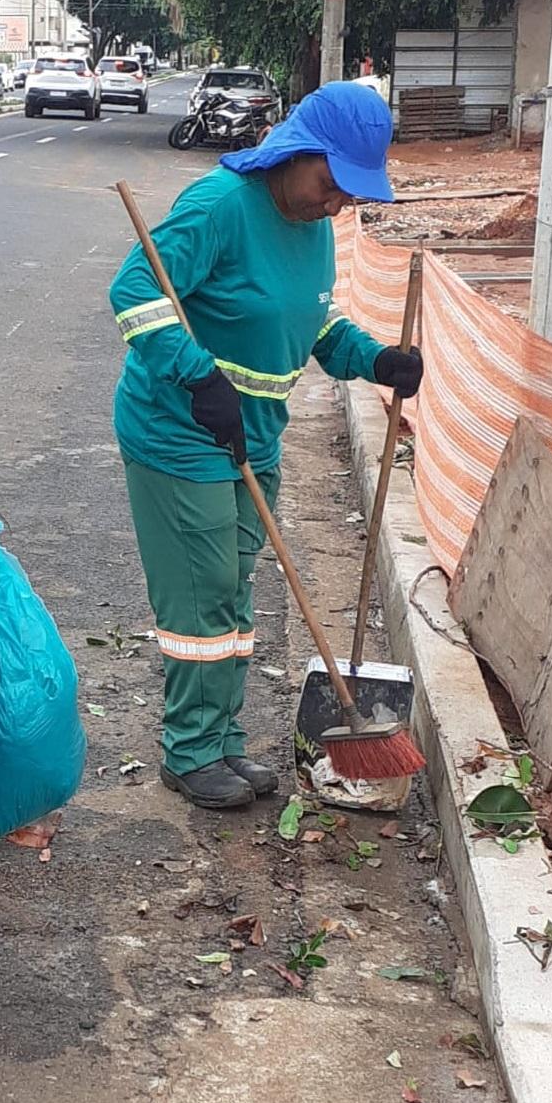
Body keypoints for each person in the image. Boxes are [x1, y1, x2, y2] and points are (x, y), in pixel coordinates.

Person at [107, 82, 423, 811]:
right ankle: (187, 753)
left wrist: (375, 359)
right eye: (330, 184)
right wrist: (195, 376)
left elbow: (310, 325)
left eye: (350, 193)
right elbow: (134, 292)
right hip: (179, 434)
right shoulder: (219, 208)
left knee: (235, 588)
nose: (337, 204)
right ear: (294, 154)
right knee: (203, 594)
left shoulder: (311, 229)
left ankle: (220, 741)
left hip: (253, 439)